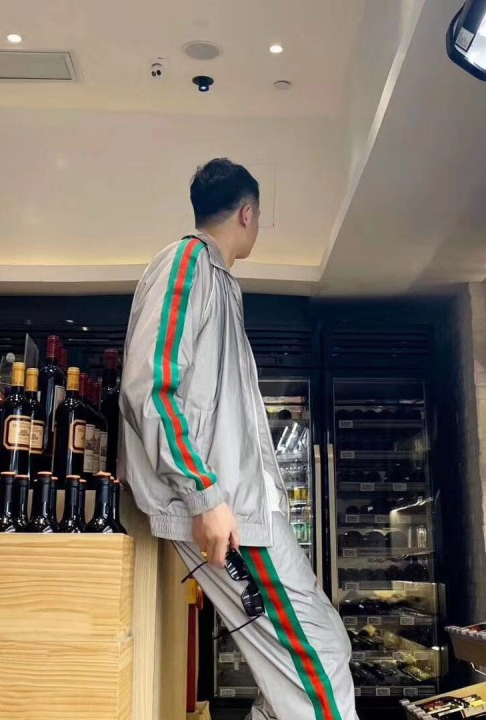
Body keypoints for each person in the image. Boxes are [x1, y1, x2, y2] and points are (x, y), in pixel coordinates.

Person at [119, 158, 358, 720]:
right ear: (248, 214)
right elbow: (149, 386)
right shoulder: (187, 263)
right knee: (318, 664)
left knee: (318, 651)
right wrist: (204, 494)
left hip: (239, 507)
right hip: (227, 511)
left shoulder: (218, 281)